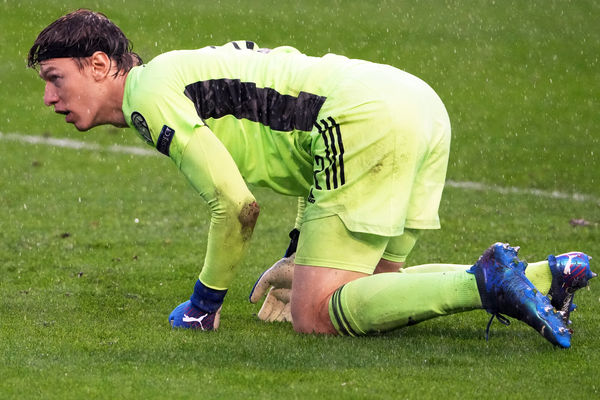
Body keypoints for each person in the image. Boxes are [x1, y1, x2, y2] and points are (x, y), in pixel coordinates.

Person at [28, 9, 595, 348]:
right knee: (375, 293)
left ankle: (484, 282)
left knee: (316, 315)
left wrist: (204, 303)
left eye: (55, 79)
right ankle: (547, 275)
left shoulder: (148, 96)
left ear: (99, 65)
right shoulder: (180, 71)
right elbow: (298, 139)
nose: (50, 98)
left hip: (362, 119)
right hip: (414, 102)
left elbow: (235, 205)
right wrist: (296, 255)